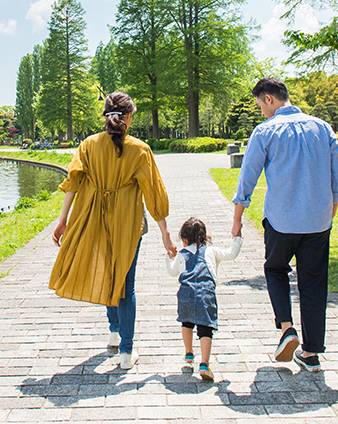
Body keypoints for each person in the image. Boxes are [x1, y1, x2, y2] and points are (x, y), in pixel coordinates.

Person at [50, 91, 177, 370]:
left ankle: (114, 331)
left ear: (105, 116)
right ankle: (126, 352)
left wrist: (63, 220)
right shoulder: (140, 149)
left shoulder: (88, 145)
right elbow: (154, 194)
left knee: (109, 275)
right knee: (125, 284)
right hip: (128, 222)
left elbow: (72, 182)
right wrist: (166, 234)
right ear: (129, 116)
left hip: (94, 217)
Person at [231, 78, 338, 373]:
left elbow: (248, 178)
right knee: (314, 282)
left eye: (260, 105)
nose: (261, 112)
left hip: (281, 221)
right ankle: (311, 353)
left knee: (275, 270)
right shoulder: (322, 127)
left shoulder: (266, 131)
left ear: (269, 99)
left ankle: (287, 329)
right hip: (319, 221)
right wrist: (327, 214)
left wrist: (236, 219)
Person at [166, 217, 242, 381]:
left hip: (185, 292)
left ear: (184, 239)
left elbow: (172, 272)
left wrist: (170, 257)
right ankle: (204, 364)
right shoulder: (211, 251)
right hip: (205, 293)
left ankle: (188, 352)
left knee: (186, 322)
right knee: (205, 329)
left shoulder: (182, 253)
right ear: (204, 236)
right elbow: (232, 253)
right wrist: (238, 238)